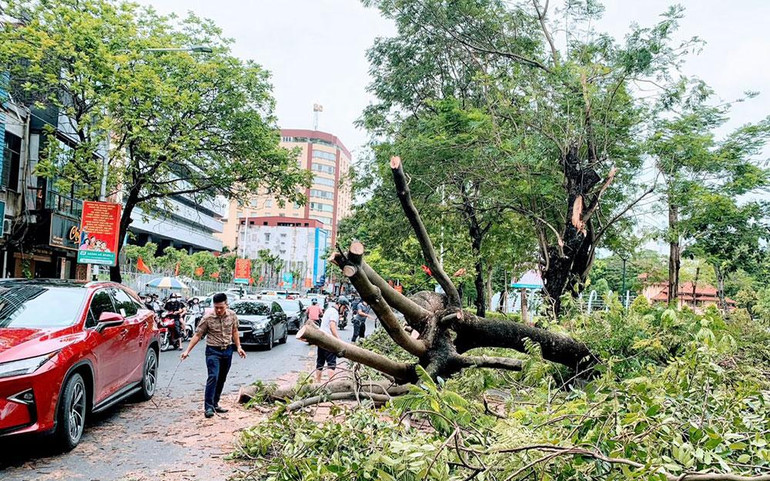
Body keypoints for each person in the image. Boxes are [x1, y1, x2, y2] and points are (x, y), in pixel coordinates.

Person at [181, 293, 246, 418]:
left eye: (221, 307)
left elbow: (234, 331)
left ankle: (215, 403)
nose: (219, 310)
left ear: (226, 305)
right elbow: (198, 335)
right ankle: (208, 407)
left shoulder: (232, 315)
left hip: (227, 350)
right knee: (213, 377)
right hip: (213, 351)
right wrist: (187, 351)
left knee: (222, 378)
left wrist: (239, 347)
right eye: (216, 307)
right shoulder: (207, 318)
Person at [315, 299, 340, 383]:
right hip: (329, 340)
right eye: (344, 308)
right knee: (331, 363)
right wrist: (338, 339)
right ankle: (331, 384)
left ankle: (318, 383)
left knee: (320, 362)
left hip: (321, 338)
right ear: (340, 305)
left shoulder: (328, 310)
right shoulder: (334, 312)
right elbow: (332, 326)